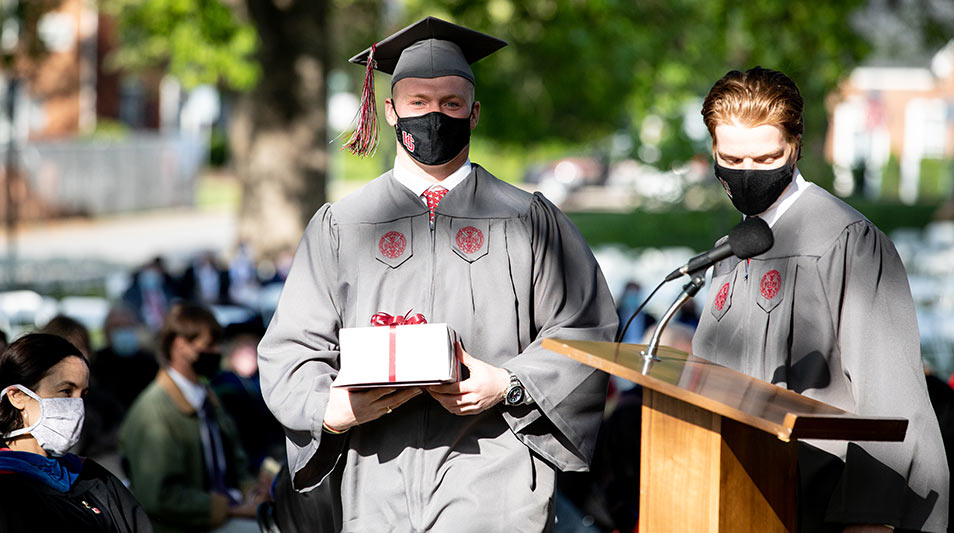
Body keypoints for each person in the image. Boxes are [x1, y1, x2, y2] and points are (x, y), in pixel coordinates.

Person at [257, 16, 617, 531]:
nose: (434, 116)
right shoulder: (342, 225)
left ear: (473, 114)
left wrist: (509, 383)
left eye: (450, 104)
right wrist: (328, 408)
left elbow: (587, 330)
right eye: (418, 104)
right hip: (375, 476)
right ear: (389, 111)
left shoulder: (527, 220)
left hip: (495, 476)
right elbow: (289, 347)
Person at [691, 66, 948, 532]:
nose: (746, 174)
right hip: (741, 498)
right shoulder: (735, 247)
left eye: (766, 159)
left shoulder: (848, 241)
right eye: (732, 159)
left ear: (795, 147)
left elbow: (888, 395)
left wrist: (870, 520)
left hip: (825, 505)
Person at [120, 303, 262, 533]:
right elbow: (160, 495)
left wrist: (252, 491)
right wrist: (230, 509)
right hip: (182, 526)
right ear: (180, 345)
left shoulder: (206, 397)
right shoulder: (153, 411)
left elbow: (236, 463)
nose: (217, 352)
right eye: (209, 345)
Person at [0, 333, 152, 532]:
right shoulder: (6, 487)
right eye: (65, 391)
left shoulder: (92, 477)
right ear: (17, 396)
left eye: (83, 394)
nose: (76, 406)